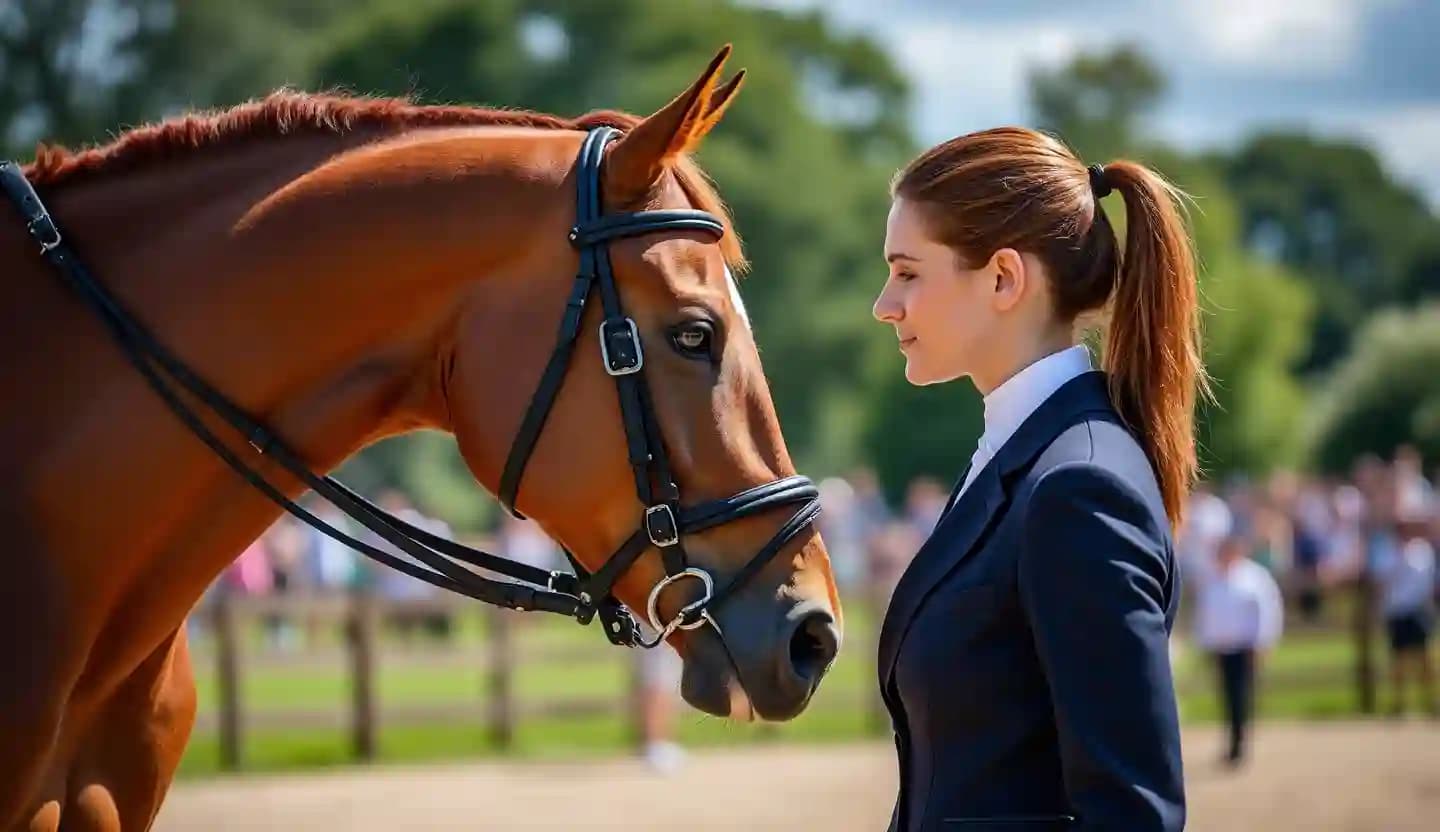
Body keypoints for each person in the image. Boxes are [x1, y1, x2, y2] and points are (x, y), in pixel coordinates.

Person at [872, 128, 1202, 830]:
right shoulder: (1023, 454)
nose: (885, 304)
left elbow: (1131, 813)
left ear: (1003, 279)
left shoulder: (1078, 487)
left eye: (907, 272)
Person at [1192, 533, 1283, 767]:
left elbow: (1268, 611)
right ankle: (1232, 741)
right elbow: (1205, 614)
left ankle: (1239, 743)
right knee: (1227, 695)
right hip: (1221, 648)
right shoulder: (1211, 577)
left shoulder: (1254, 577)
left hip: (1245, 647)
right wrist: (1204, 643)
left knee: (1241, 695)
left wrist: (1262, 642)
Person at [1377, 511, 1437, 716]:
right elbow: (1383, 583)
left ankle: (1430, 702)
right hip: (1397, 611)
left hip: (1418, 609)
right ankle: (1399, 704)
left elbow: (1429, 583)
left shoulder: (1423, 551)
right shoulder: (1389, 551)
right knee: (1398, 660)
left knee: (1425, 658)